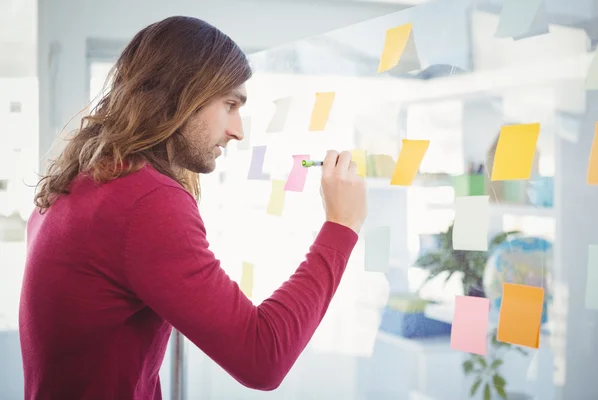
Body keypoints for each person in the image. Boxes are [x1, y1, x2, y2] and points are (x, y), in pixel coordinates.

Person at [19, 15, 367, 400]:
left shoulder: (87, 180)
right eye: (230, 104)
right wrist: (342, 225)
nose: (238, 130)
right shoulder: (144, 201)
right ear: (181, 97)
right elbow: (263, 358)